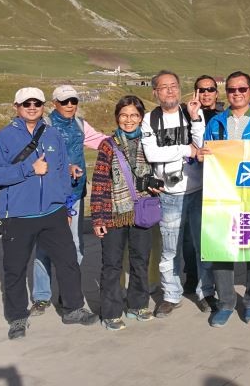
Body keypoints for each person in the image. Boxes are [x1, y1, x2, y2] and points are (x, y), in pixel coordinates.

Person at [0, 87, 97, 339]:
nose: (32, 107)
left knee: (68, 261)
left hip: (53, 212)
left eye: (37, 103)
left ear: (43, 106)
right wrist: (28, 168)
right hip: (18, 215)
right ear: (16, 107)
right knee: (15, 269)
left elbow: (62, 171)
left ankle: (73, 309)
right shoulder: (4, 137)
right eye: (26, 104)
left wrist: (66, 204)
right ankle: (17, 318)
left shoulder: (53, 134)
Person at [204, 71, 250, 327]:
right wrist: (203, 155)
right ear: (226, 92)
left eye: (242, 89)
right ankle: (225, 302)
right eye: (232, 90)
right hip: (222, 192)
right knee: (221, 246)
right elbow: (207, 152)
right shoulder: (216, 122)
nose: (237, 94)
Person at [30, 85, 106, 317]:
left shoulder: (80, 124)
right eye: (64, 101)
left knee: (75, 244)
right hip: (49, 195)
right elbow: (36, 158)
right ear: (54, 103)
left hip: (75, 193)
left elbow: (102, 141)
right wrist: (64, 168)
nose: (70, 105)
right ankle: (41, 296)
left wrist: (127, 138)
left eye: (73, 100)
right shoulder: (43, 126)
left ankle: (68, 291)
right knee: (45, 245)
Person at [141, 70, 210, 318]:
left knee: (203, 246)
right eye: (164, 87)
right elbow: (152, 154)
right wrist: (185, 150)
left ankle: (206, 291)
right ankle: (171, 294)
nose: (170, 90)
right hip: (169, 194)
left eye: (174, 86)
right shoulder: (150, 119)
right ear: (155, 92)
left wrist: (196, 119)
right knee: (170, 250)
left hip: (198, 190)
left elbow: (202, 146)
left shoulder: (191, 113)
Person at [90, 96, 157, 330]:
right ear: (117, 117)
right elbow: (99, 182)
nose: (129, 120)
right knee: (112, 264)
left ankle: (138, 304)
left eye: (134, 115)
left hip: (142, 210)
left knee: (141, 260)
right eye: (124, 115)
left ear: (141, 118)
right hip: (113, 213)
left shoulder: (150, 143)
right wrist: (98, 218)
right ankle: (110, 312)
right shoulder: (108, 145)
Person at [182, 74, 223, 295]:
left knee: (213, 233)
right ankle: (191, 275)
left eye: (210, 89)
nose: (206, 93)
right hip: (193, 180)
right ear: (195, 92)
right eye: (201, 90)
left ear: (217, 92)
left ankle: (213, 279)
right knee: (190, 236)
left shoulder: (223, 116)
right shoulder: (185, 115)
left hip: (217, 181)